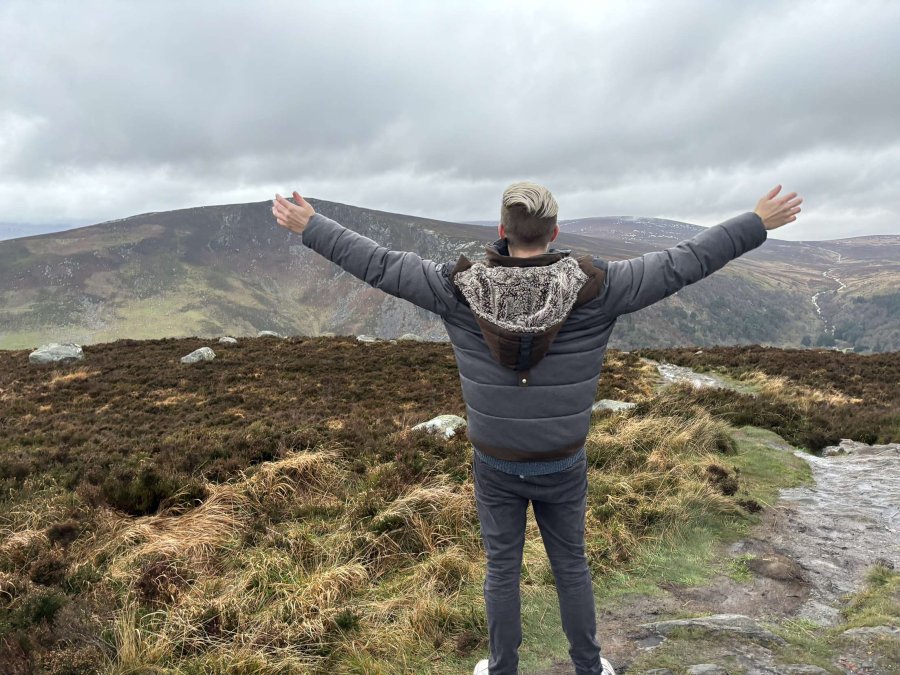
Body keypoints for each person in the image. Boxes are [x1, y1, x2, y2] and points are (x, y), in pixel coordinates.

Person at [271, 182, 802, 675]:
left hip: (495, 462)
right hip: (563, 460)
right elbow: (685, 262)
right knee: (571, 564)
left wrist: (313, 226)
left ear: (502, 231)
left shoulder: (456, 288)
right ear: (555, 232)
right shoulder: (601, 287)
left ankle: (502, 670)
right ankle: (589, 669)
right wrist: (755, 222)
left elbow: (381, 264)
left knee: (502, 569)